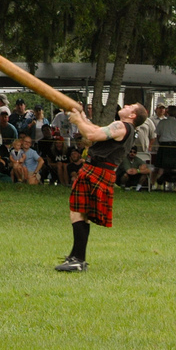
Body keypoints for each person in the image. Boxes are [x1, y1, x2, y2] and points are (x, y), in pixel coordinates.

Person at [55, 102, 147, 272]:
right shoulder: (125, 128)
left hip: (96, 170)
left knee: (78, 212)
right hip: (102, 171)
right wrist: (81, 117)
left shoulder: (121, 125)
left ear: (133, 115)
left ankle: (78, 259)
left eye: (130, 105)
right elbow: (96, 129)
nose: (126, 104)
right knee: (82, 213)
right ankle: (76, 258)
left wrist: (77, 121)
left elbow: (91, 134)